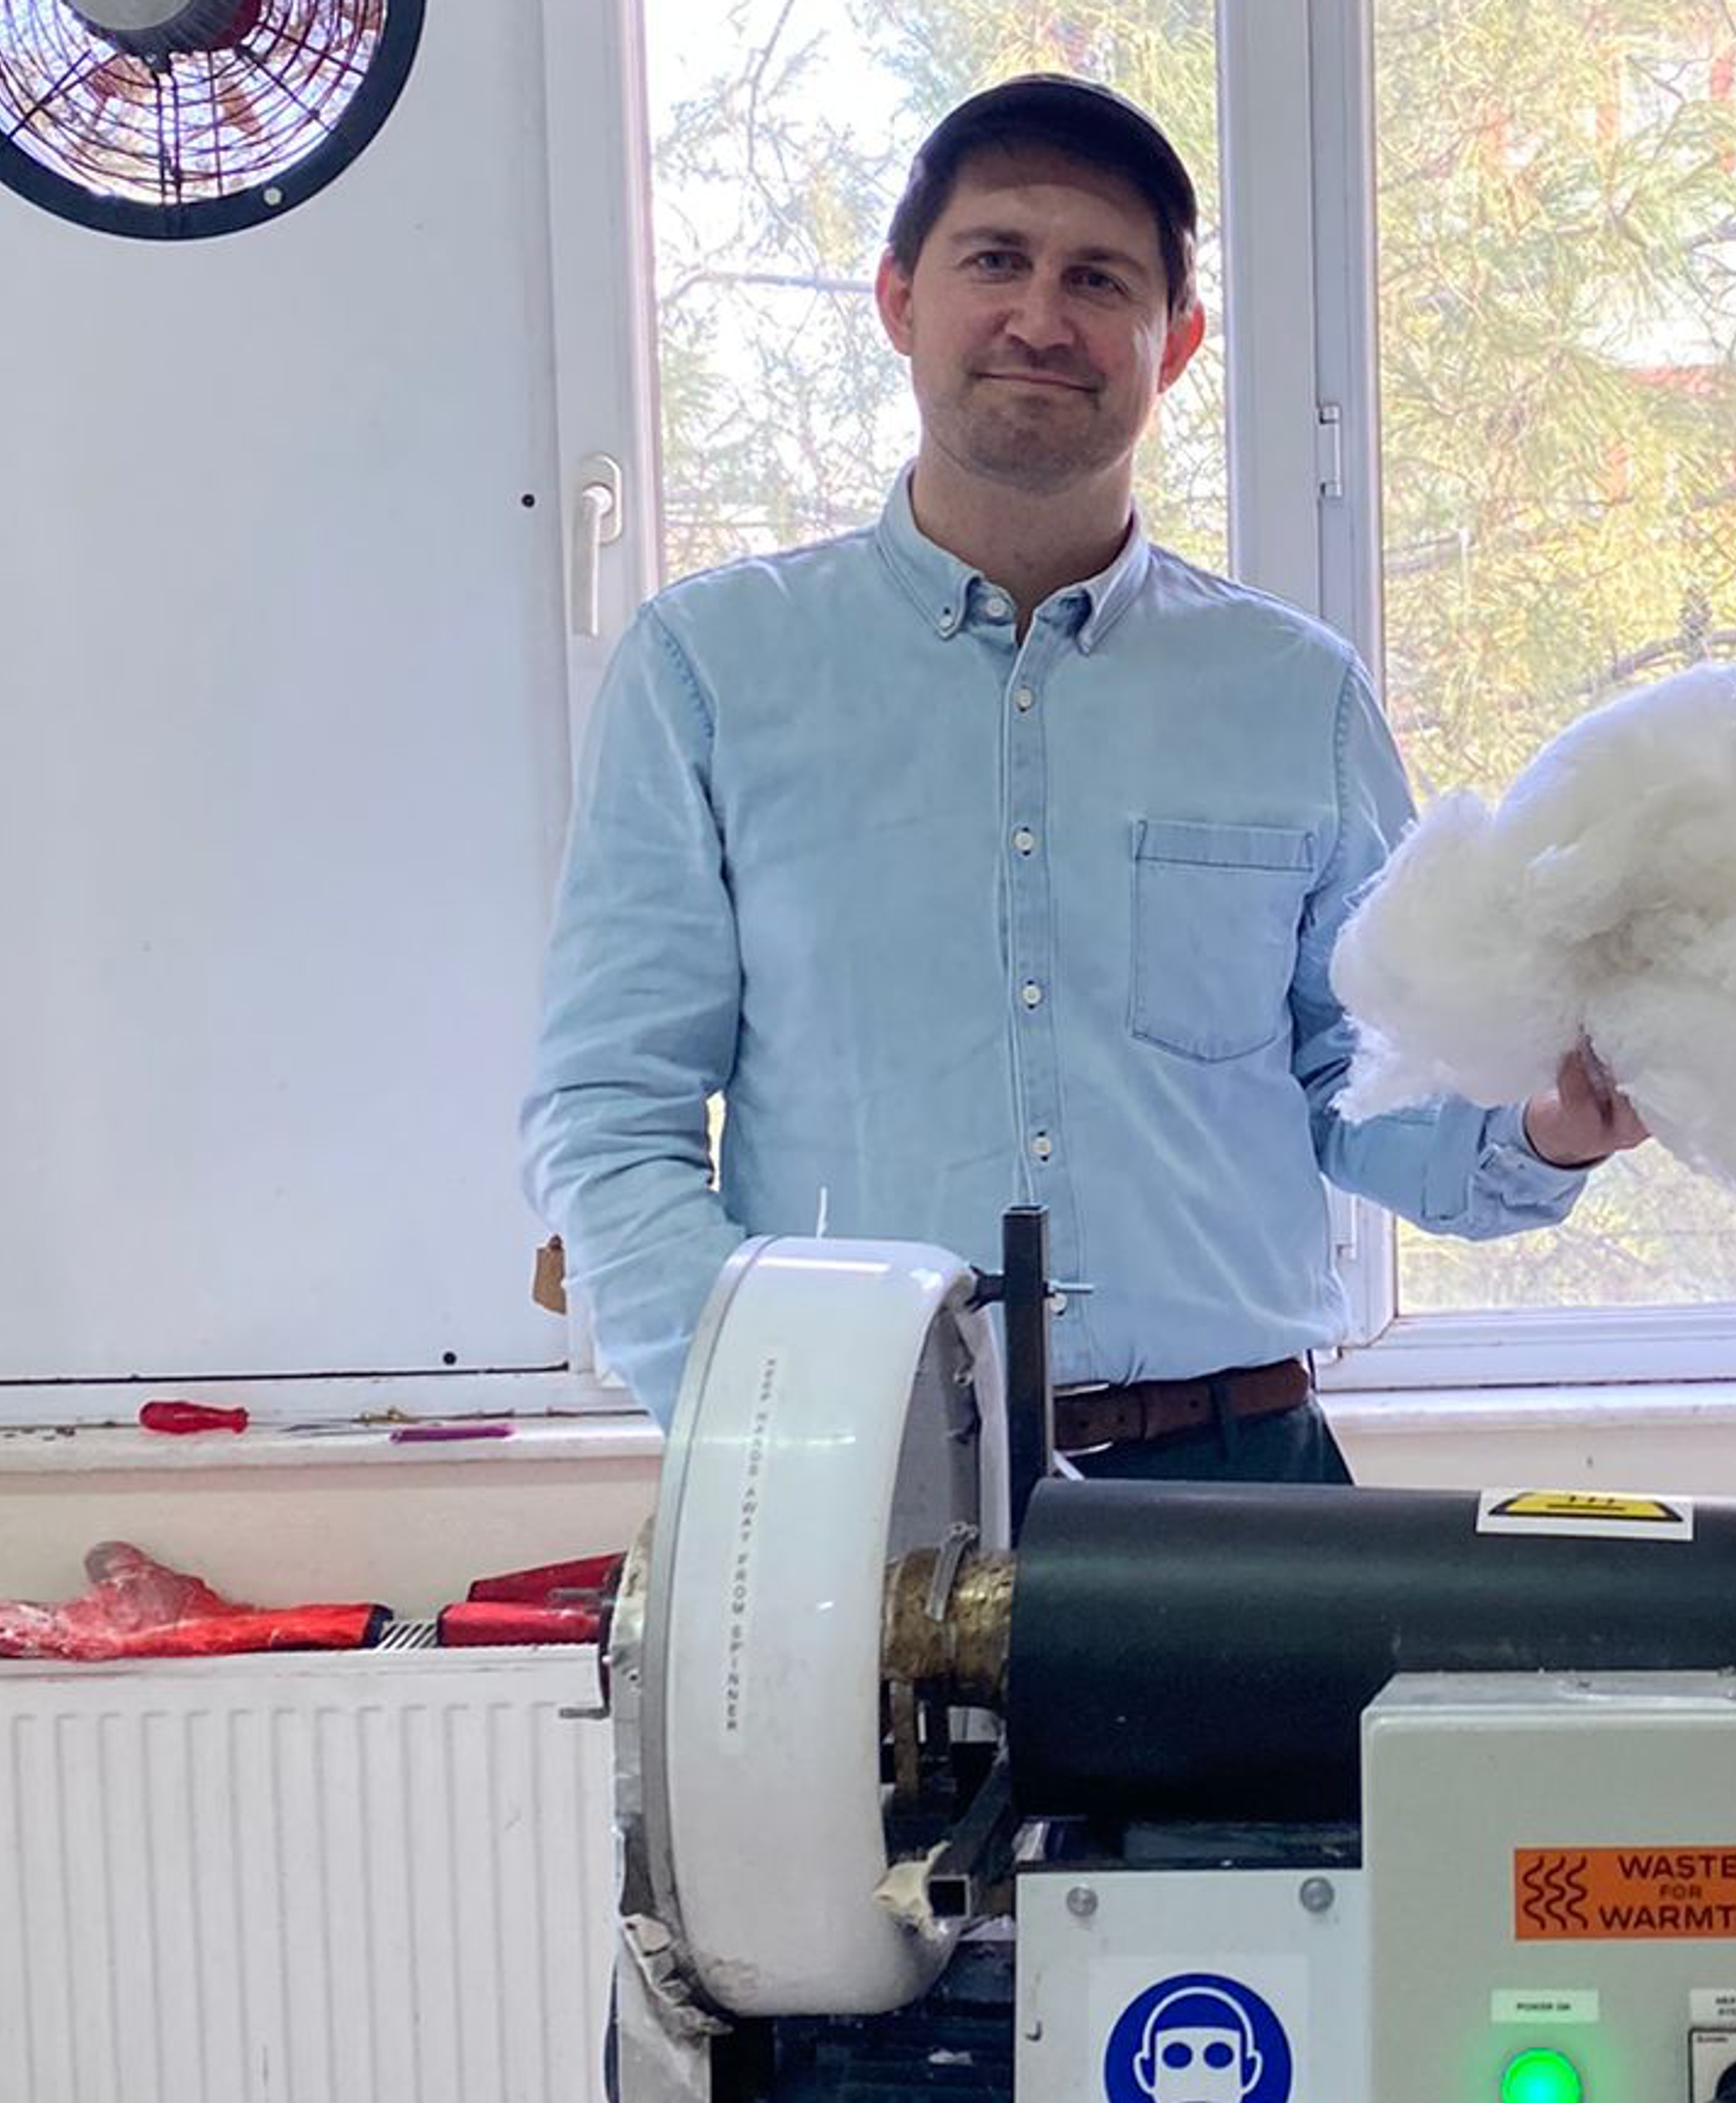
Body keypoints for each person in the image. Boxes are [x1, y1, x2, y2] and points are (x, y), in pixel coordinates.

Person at [522, 75, 1648, 1488]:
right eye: (994, 259)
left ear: (1173, 344)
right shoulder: (709, 671)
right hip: (852, 1488)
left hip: (1241, 1487)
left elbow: (1366, 1085)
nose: (1041, 320)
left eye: (1098, 278)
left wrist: (1550, 1128)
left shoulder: (1294, 697)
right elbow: (609, 1109)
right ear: (897, 301)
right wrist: (761, 1405)